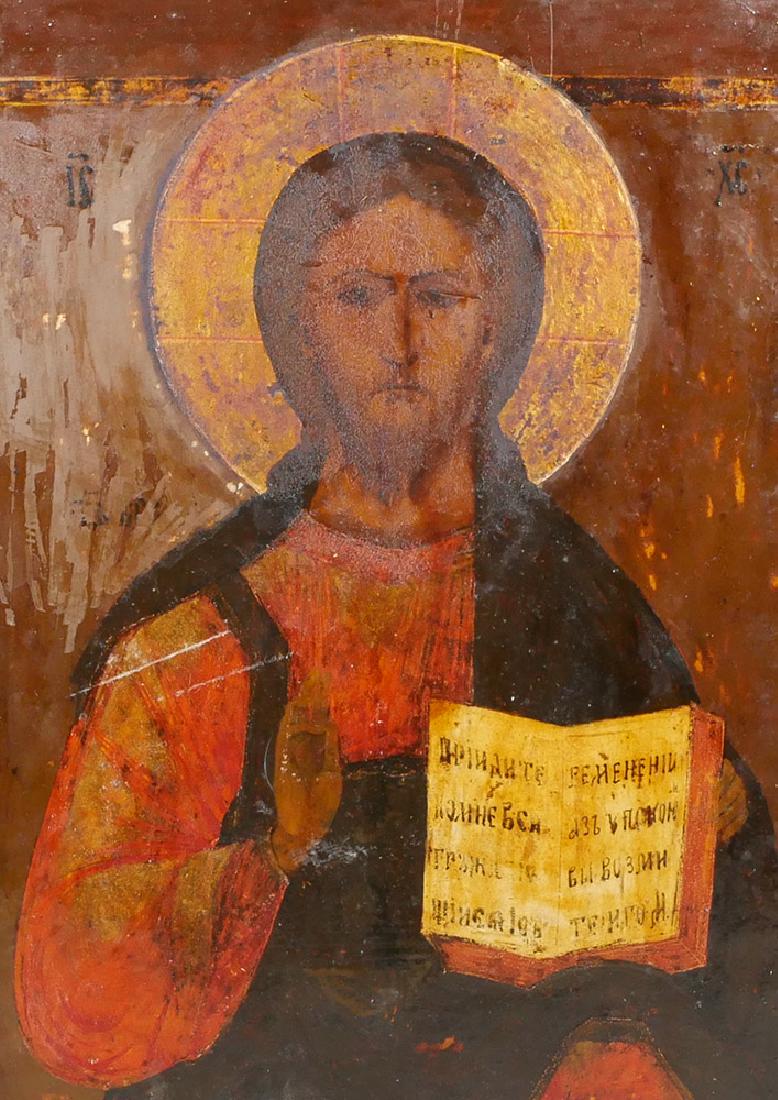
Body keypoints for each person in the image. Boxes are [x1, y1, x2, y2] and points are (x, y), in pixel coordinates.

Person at [15, 134, 776, 1098]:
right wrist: (274, 856)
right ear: (298, 327)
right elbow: (70, 991)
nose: (402, 341)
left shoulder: (581, 608)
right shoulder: (199, 634)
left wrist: (706, 831)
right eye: (358, 296)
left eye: (441, 298)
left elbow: (739, 960)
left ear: (497, 331)